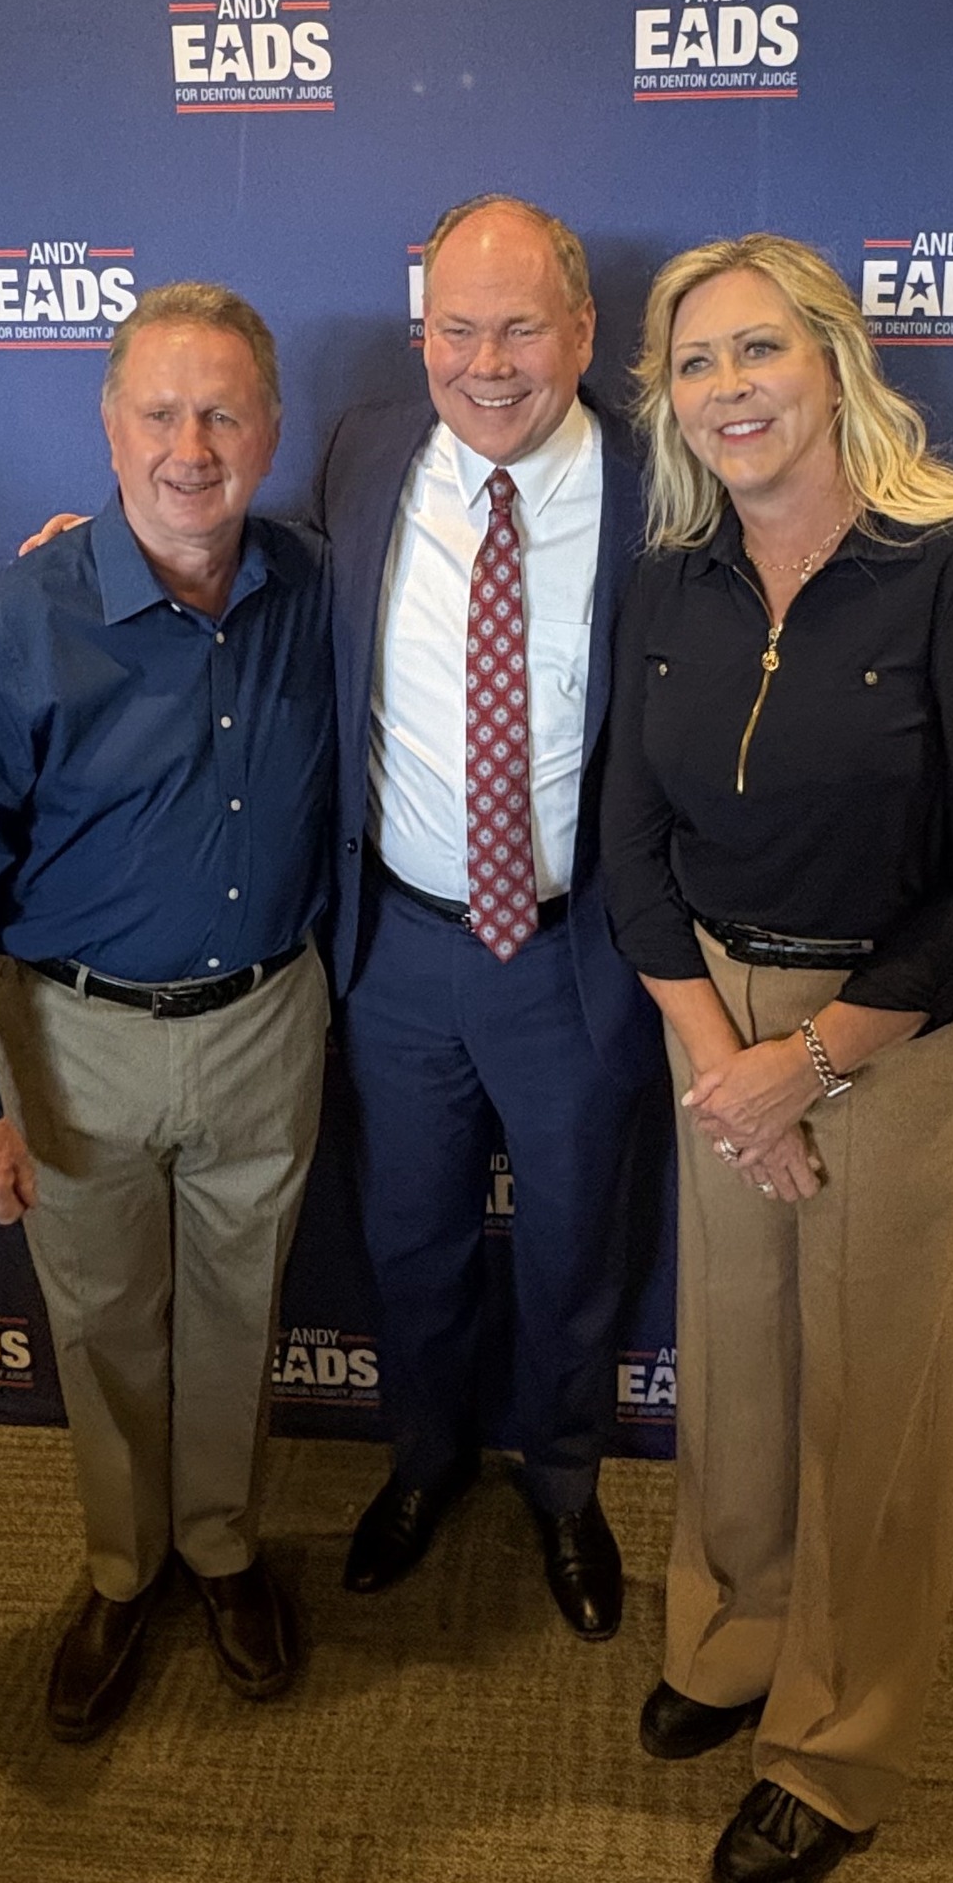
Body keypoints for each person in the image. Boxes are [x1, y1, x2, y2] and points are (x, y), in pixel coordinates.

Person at [600, 234, 953, 1882]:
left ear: (831, 363)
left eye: (757, 352)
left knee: (871, 1396)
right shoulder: (670, 575)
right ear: (667, 398)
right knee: (735, 1368)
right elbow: (629, 844)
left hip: (892, 1021)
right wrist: (725, 1061)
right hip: (714, 1027)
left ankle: (837, 1742)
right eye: (695, 363)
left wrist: (816, 1059)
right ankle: (734, 1641)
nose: (727, 389)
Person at [0, 282, 333, 1742]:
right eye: (158, 412)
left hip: (269, 1023)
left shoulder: (329, 588)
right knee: (105, 1328)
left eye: (222, 412)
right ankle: (124, 1571)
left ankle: (220, 1549)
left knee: (235, 1315)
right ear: (107, 424)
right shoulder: (18, 617)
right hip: (72, 1043)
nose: (189, 447)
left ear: (270, 429)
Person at [318, 195, 658, 1638]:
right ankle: (422, 1460)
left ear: (582, 333)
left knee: (577, 1241)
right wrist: (110, 551)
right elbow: (261, 589)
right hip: (397, 943)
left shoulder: (666, 484)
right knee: (408, 1239)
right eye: (457, 327)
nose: (489, 359)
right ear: (421, 337)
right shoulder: (361, 456)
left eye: (522, 326)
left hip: (579, 949)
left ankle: (564, 1487)